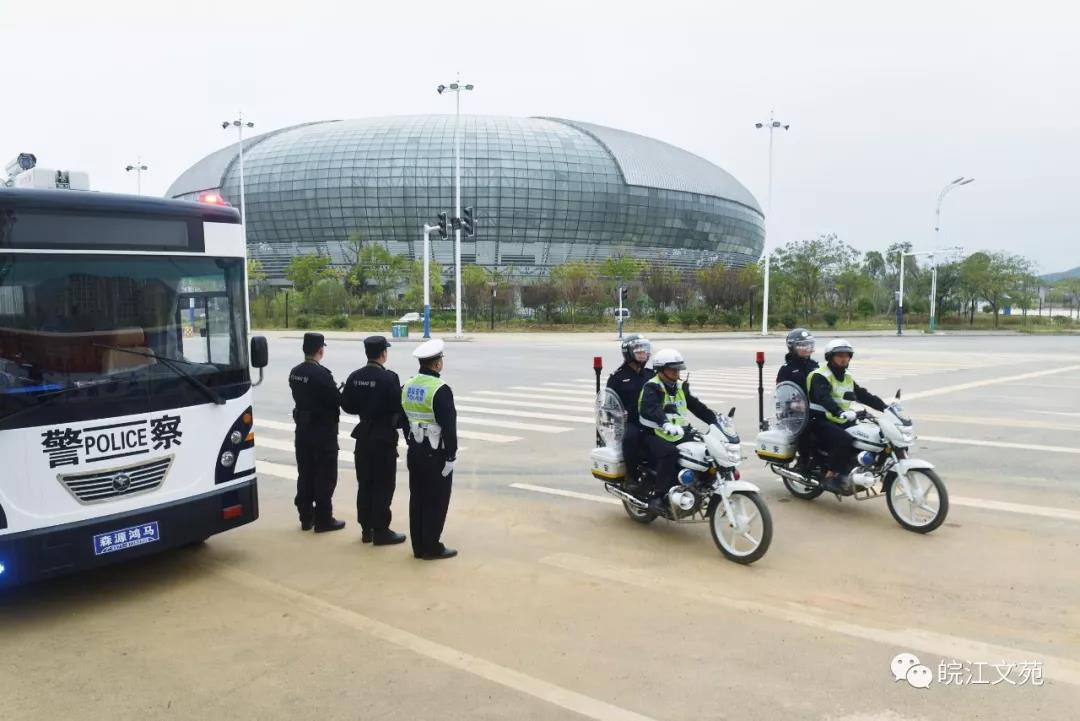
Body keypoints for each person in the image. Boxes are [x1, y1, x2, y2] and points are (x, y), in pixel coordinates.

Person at [340, 335, 408, 546]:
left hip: (363, 436)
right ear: (383, 354)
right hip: (383, 437)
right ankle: (381, 531)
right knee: (383, 485)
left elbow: (347, 406)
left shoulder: (354, 377)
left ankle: (366, 529)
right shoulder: (389, 378)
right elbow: (398, 406)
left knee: (365, 483)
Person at [401, 338, 458, 560]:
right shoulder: (440, 389)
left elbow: (402, 418)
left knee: (417, 498)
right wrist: (451, 455)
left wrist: (410, 440)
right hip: (436, 454)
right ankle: (431, 546)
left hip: (415, 450)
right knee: (436, 499)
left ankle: (418, 546)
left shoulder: (407, 385)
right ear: (436, 364)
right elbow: (449, 426)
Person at [637, 348, 718, 503]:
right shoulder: (652, 387)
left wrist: (715, 419)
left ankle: (701, 485)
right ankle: (659, 496)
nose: (676, 373)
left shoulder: (680, 387)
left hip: (678, 433)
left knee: (707, 451)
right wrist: (665, 423)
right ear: (660, 369)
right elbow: (651, 408)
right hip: (652, 433)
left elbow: (696, 406)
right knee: (670, 453)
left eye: (678, 369)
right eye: (672, 369)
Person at [806, 338, 887, 493]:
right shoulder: (820, 375)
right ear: (830, 357)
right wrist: (840, 411)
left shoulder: (847, 376)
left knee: (872, 436)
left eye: (847, 355)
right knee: (845, 439)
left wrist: (886, 407)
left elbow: (862, 395)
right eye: (839, 355)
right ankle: (831, 476)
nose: (844, 359)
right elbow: (824, 398)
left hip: (840, 419)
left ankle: (860, 469)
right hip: (818, 419)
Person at [289, 332, 345, 532]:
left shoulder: (295, 372)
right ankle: (324, 519)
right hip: (323, 433)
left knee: (305, 473)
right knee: (325, 475)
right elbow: (337, 400)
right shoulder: (322, 374)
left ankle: (305, 516)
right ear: (320, 350)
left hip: (303, 431)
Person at [605, 335, 654, 482]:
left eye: (645, 350)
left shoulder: (651, 375)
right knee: (631, 438)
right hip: (629, 422)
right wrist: (619, 415)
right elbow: (609, 406)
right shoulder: (617, 378)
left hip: (651, 419)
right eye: (638, 351)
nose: (643, 354)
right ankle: (631, 476)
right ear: (629, 353)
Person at [777, 328, 818, 466]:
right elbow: (782, 392)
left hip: (814, 409)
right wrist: (794, 405)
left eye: (809, 345)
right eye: (802, 345)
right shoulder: (787, 369)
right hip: (794, 413)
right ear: (792, 347)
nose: (806, 348)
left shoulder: (815, 366)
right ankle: (804, 461)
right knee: (807, 431)